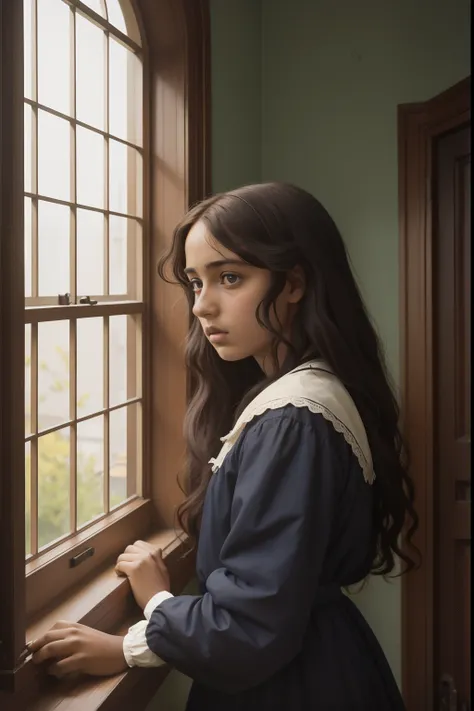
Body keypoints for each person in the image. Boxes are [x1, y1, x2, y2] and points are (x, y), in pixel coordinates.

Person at [30, 182, 419, 710]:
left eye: (229, 278)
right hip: (318, 663)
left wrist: (146, 621)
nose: (201, 306)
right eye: (195, 282)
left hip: (291, 688)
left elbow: (247, 628)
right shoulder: (309, 391)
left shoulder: (293, 421)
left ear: (294, 283)